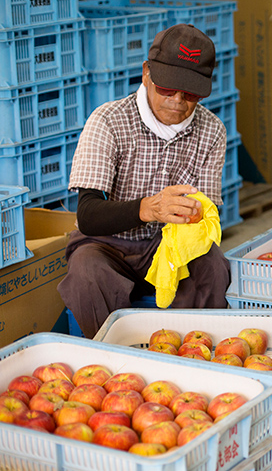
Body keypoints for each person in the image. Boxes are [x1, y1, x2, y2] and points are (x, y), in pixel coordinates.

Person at [58, 24, 230, 338]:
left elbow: (208, 218)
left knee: (212, 265)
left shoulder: (212, 130)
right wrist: (149, 209)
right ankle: (113, 358)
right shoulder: (108, 121)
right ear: (146, 73)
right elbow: (88, 215)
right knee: (86, 270)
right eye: (167, 87)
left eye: (190, 92)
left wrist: (197, 217)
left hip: (169, 245)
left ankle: (196, 352)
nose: (177, 100)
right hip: (107, 245)